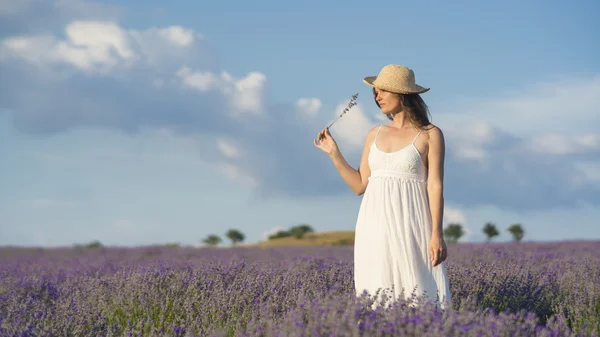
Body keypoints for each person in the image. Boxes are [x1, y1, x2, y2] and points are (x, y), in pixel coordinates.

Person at [314, 64, 452, 309]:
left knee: (418, 291)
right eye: (375, 92)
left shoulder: (430, 134)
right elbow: (360, 185)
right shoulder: (374, 134)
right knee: (376, 294)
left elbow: (435, 186)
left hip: (413, 225)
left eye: (382, 91)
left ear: (402, 93)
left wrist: (436, 234)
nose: (377, 97)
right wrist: (334, 153)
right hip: (374, 227)